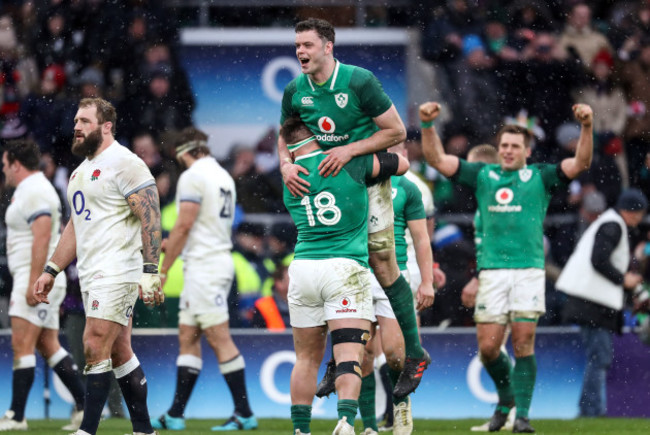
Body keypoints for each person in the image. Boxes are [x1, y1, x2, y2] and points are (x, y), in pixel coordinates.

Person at [278, 17, 430, 398]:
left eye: (308, 45)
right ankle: (342, 359)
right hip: (329, 181)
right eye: (297, 45)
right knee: (340, 267)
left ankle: (415, 354)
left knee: (381, 263)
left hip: (367, 180)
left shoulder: (359, 81)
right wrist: (285, 165)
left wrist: (348, 150)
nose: (300, 52)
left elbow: (395, 132)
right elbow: (285, 135)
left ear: (328, 47)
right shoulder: (295, 90)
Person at [420, 101, 594, 433]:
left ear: (527, 151)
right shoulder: (484, 174)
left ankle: (523, 418)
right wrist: (428, 126)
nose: (508, 151)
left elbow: (581, 162)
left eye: (515, 147)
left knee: (523, 341)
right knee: (488, 348)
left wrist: (586, 126)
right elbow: (437, 160)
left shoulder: (540, 176)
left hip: (528, 270)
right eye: (504, 146)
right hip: (493, 273)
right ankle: (506, 401)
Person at [33, 97, 164, 435]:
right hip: (92, 273)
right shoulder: (79, 173)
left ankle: (87, 430)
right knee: (119, 351)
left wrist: (151, 271)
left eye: (85, 121)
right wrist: (51, 269)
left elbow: (150, 215)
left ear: (106, 127)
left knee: (93, 344)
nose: (77, 126)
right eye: (76, 120)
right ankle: (144, 430)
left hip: (118, 269)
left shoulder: (125, 163)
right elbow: (76, 226)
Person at [280, 117, 409, 435]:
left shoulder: (290, 179)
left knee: (306, 359)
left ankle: (301, 429)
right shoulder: (350, 164)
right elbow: (402, 164)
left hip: (304, 267)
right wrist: (350, 146)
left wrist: (285, 161)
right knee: (350, 353)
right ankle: (345, 421)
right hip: (345, 268)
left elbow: (289, 144)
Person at [151, 126, 257, 432]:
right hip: (211, 261)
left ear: (183, 151)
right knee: (189, 336)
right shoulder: (223, 175)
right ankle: (175, 414)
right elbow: (200, 226)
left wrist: (163, 268)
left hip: (205, 268)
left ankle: (245, 412)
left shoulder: (193, 176)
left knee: (218, 338)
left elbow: (184, 225)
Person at [0, 140, 85, 432]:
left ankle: (16, 415)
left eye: (4, 165)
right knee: (48, 345)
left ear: (15, 164)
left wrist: (35, 279)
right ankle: (85, 404)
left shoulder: (35, 190)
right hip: (36, 274)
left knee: (21, 344)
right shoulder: (32, 189)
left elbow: (42, 234)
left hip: (33, 274)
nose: (3, 171)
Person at [358, 141, 441, 435]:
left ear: (403, 152)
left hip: (395, 276)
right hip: (356, 273)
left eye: (396, 148)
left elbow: (421, 239)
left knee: (394, 354)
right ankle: (368, 426)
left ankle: (401, 406)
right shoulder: (356, 179)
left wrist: (428, 280)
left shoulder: (409, 188)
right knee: (363, 352)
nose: (389, 153)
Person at [557, 188, 647, 417]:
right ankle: (591, 411)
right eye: (639, 212)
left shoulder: (608, 222)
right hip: (592, 304)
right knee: (599, 358)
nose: (639, 218)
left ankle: (590, 409)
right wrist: (623, 279)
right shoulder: (613, 225)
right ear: (632, 211)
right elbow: (599, 260)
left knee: (597, 358)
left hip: (589, 301)